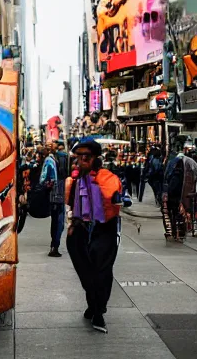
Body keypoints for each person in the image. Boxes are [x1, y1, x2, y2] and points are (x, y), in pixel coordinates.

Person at [65, 138, 123, 334]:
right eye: (78, 157)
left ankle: (98, 311)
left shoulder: (107, 178)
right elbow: (72, 205)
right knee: (86, 273)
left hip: (103, 230)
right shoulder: (76, 180)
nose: (81, 161)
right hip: (81, 231)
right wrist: (73, 224)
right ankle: (93, 303)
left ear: (95, 159)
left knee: (102, 272)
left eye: (86, 157)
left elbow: (114, 197)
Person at [40, 144, 61, 257]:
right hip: (59, 192)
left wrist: (42, 184)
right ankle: (55, 245)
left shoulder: (48, 160)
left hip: (54, 192)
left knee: (55, 219)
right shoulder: (56, 159)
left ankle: (54, 245)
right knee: (58, 220)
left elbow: (45, 177)